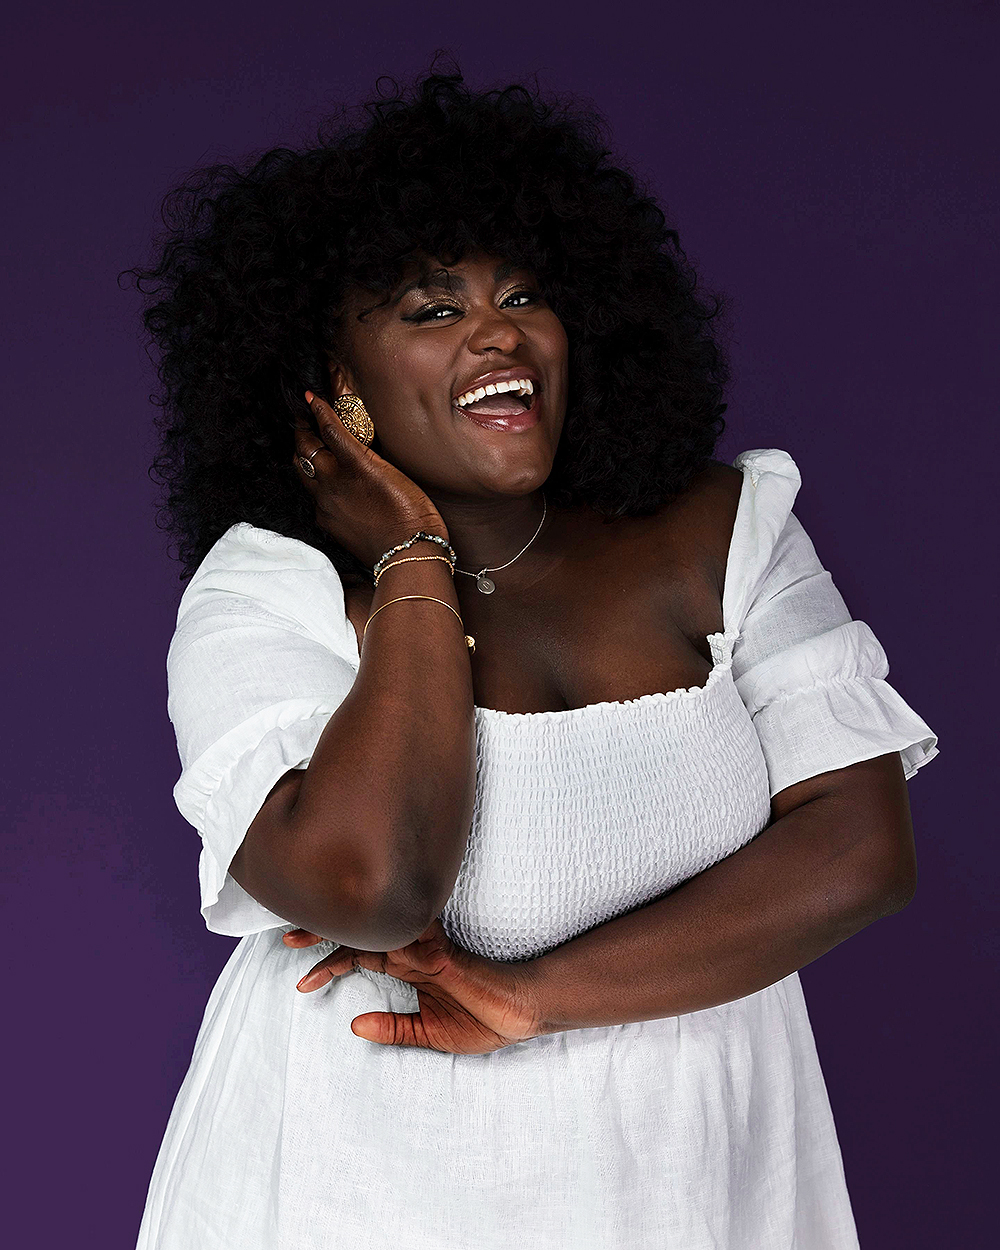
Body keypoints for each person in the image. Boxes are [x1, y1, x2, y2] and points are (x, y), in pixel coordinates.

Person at [129, 64, 939, 1250]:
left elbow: (859, 845)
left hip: (693, 1151)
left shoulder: (721, 528)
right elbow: (370, 884)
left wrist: (533, 996)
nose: (499, 331)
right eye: (432, 307)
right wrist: (410, 559)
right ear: (335, 391)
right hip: (364, 1166)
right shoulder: (272, 590)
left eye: (523, 295)